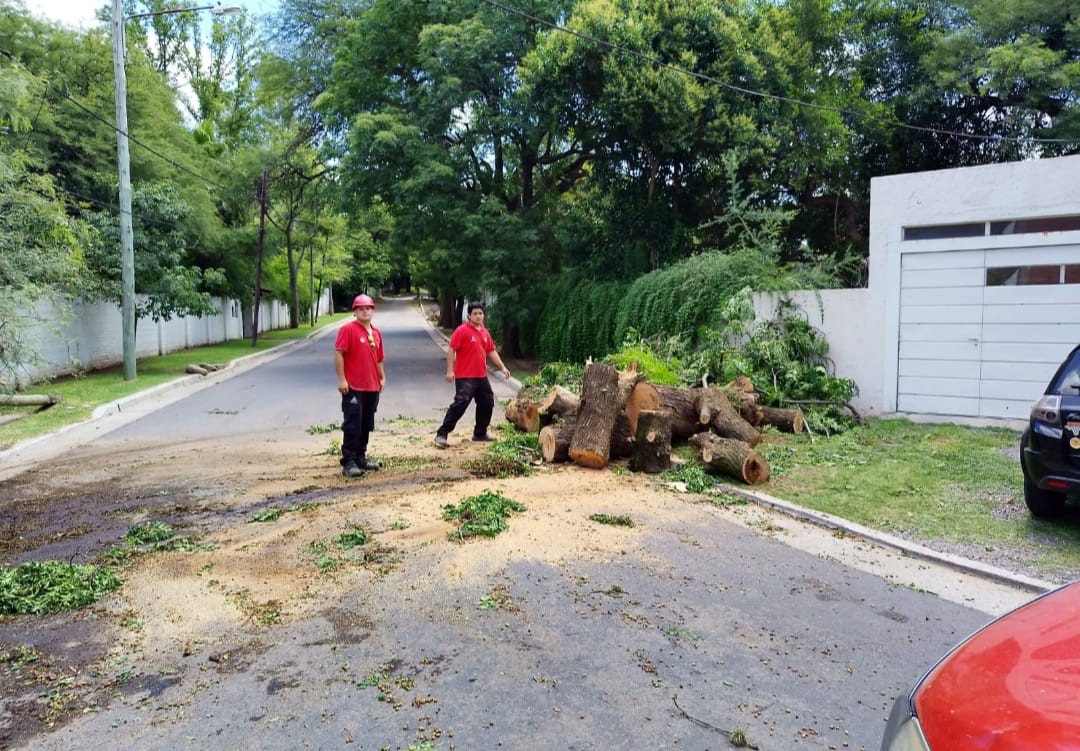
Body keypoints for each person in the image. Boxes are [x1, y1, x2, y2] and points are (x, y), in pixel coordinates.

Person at [434, 301, 511, 448]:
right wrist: (450, 370)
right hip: (465, 376)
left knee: (487, 402)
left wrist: (502, 367)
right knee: (460, 404)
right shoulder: (461, 331)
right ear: (469, 315)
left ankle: (480, 433)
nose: (478, 316)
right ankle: (442, 434)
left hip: (481, 376)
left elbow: (491, 351)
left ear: (483, 315)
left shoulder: (484, 332)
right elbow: (451, 350)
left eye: (480, 313)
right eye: (475, 313)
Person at [334, 294, 386, 477]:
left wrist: (382, 377)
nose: (365, 311)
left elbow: (379, 359)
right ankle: (348, 461)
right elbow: (339, 354)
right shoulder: (347, 330)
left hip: (372, 386)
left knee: (366, 423)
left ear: (373, 310)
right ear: (355, 311)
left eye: (368, 308)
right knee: (352, 423)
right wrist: (342, 379)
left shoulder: (376, 333)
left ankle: (360, 457)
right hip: (354, 386)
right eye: (361, 308)